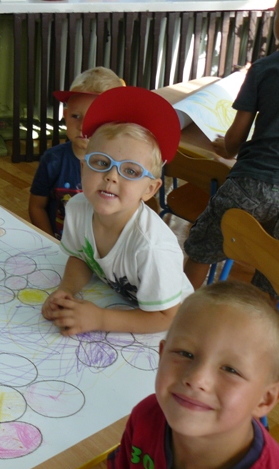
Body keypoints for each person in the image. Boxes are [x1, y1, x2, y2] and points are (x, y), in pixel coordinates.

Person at [41, 87, 193, 335]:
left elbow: (167, 316)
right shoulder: (78, 207)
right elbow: (81, 257)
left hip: (168, 328)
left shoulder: (152, 246)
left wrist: (100, 319)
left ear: (150, 189)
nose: (111, 176)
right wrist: (66, 290)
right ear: (83, 168)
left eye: (130, 171)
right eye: (101, 162)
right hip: (123, 305)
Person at [108, 281, 279, 469]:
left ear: (265, 399)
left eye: (230, 370)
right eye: (185, 353)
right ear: (162, 355)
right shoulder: (146, 416)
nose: (196, 379)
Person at [184, 0, 279, 292]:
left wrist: (224, 148)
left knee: (202, 248)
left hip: (250, 184)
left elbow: (233, 142)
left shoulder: (265, 68)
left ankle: (176, 308)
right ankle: (262, 319)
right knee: (277, 276)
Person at [29, 67, 124, 239]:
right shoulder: (52, 160)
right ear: (65, 116)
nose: (82, 126)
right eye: (75, 116)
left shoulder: (121, 167)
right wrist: (50, 242)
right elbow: (37, 207)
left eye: (95, 118)